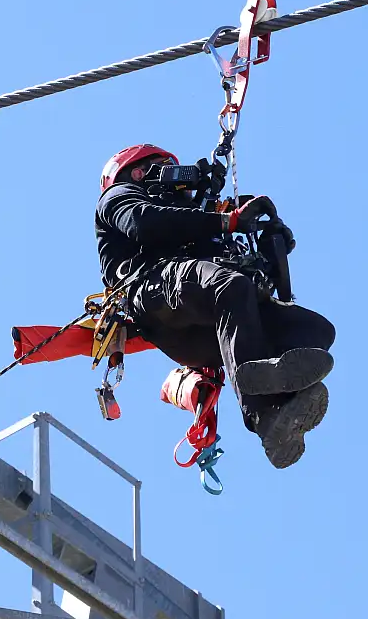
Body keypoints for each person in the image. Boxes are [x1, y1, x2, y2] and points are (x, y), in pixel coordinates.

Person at [94, 143, 337, 469]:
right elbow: (144, 223)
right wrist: (225, 221)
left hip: (210, 327)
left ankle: (270, 420)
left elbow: (218, 242)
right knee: (229, 285)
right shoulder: (119, 197)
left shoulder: (194, 218)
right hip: (155, 292)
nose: (175, 181)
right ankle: (255, 394)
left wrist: (266, 241)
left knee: (316, 331)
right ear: (136, 172)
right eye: (163, 168)